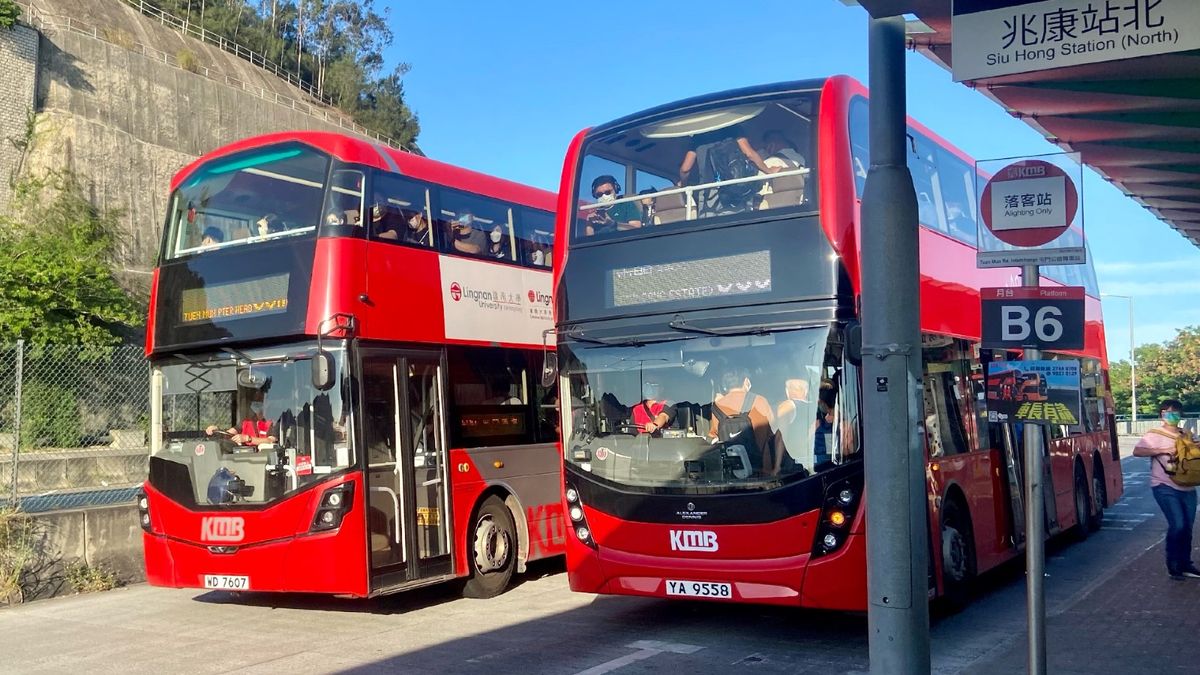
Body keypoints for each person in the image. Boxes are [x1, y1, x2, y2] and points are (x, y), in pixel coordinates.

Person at [1134, 398, 1200, 580]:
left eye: (1174, 412)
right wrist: (1160, 450)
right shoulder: (1154, 434)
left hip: (1187, 486)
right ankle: (1174, 566)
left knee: (1187, 527)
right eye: (1166, 412)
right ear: (1161, 415)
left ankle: (1186, 564)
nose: (1171, 416)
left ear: (1180, 415)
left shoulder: (1186, 433)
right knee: (1177, 524)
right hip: (1164, 485)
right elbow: (1137, 451)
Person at [678, 125, 780, 215]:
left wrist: (683, 187)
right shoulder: (733, 127)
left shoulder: (698, 136)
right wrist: (768, 171)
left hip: (708, 191)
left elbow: (685, 169)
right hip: (734, 186)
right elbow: (749, 154)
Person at [709, 368, 777, 475]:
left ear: (725, 385)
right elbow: (773, 429)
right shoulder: (759, 400)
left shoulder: (717, 406)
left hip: (732, 470)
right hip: (761, 469)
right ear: (746, 381)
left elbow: (714, 436)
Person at [206, 391, 277, 447]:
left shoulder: (274, 422)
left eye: (260, 401)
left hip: (264, 459)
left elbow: (271, 440)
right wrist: (216, 430)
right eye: (255, 401)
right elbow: (228, 434)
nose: (257, 404)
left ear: (267, 404)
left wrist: (247, 439)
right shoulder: (246, 422)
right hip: (243, 457)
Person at [775, 378, 816, 471]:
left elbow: (781, 436)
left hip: (794, 462)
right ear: (805, 391)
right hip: (815, 461)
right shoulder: (816, 406)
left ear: (787, 391)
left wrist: (777, 466)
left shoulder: (787, 405)